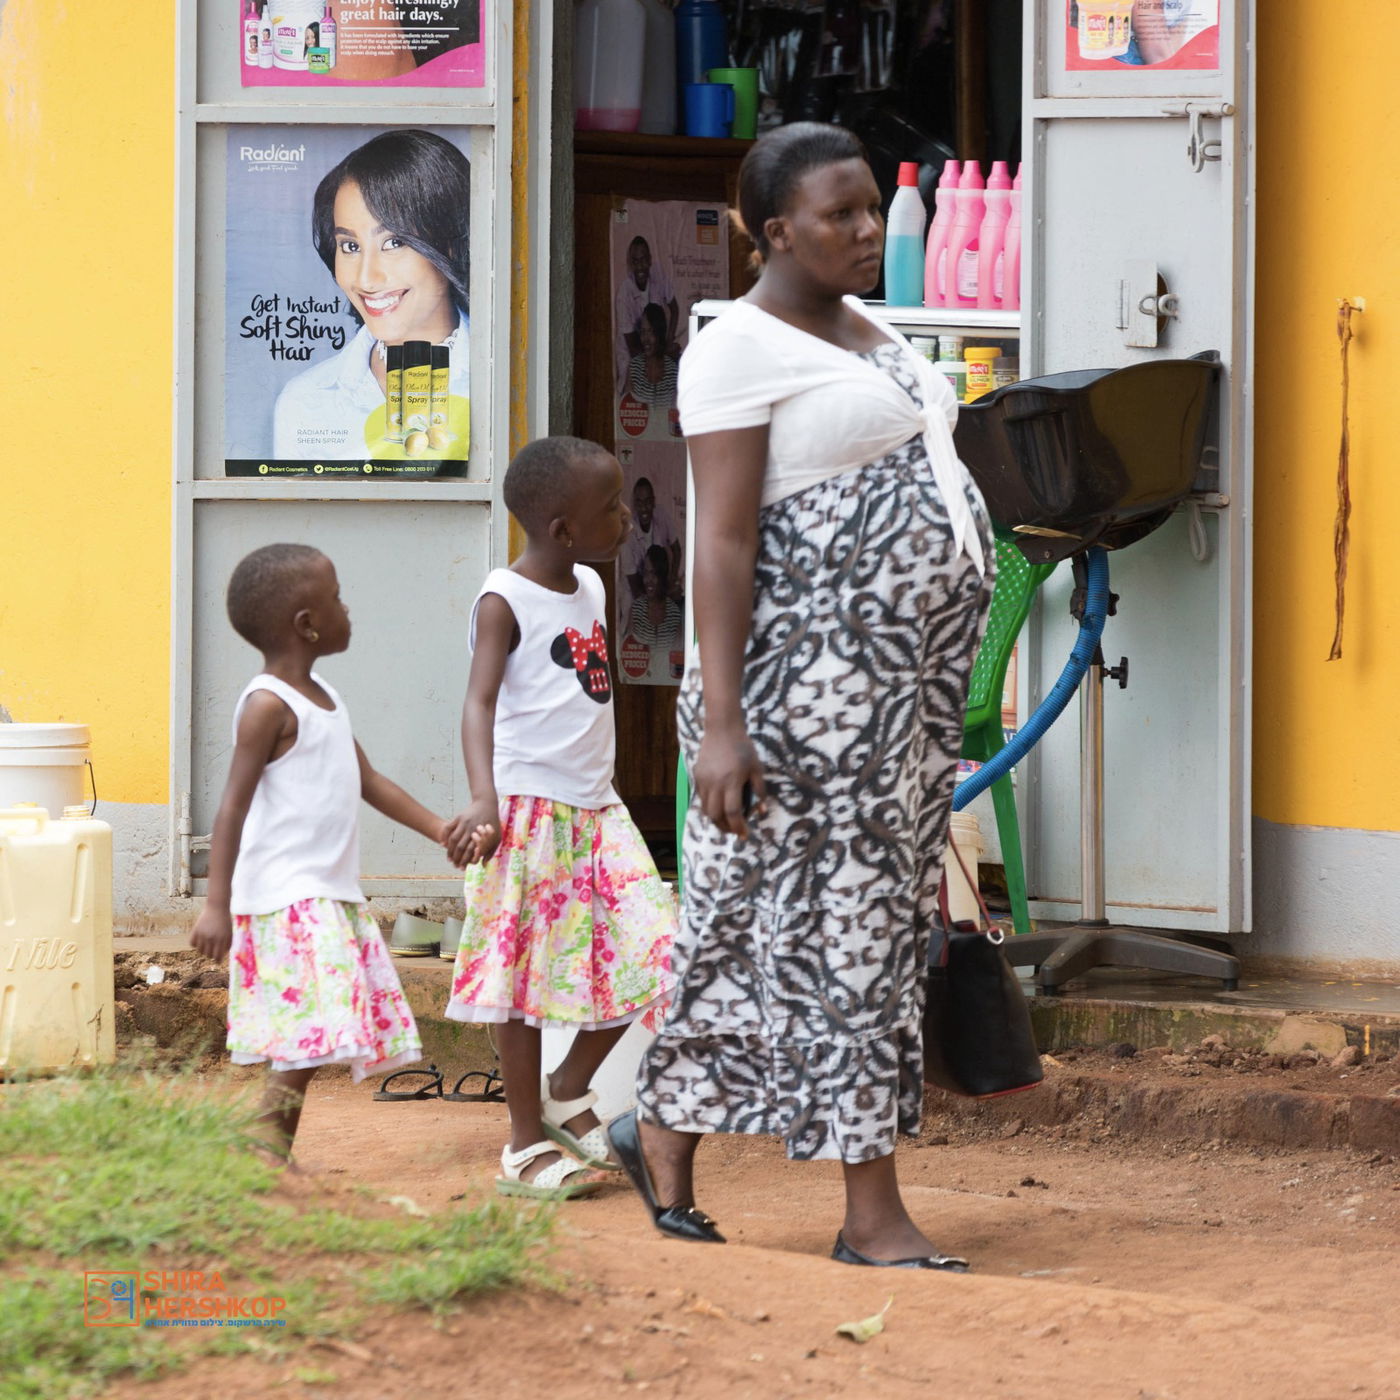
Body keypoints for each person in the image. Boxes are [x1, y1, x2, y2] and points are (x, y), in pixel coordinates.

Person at [607, 123, 995, 1266]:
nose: (869, 229)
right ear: (774, 230)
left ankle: (661, 1121)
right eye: (841, 214)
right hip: (800, 699)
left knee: (742, 927)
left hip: (895, 700)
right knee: (850, 941)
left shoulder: (865, 323)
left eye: (873, 207)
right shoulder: (732, 347)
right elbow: (719, 544)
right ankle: (868, 1209)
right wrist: (719, 723)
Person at [444, 436, 678, 1202]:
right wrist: (483, 798)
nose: (626, 520)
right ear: (560, 528)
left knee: (663, 951)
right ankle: (521, 1144)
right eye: (611, 508)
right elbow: (476, 703)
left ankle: (567, 1091)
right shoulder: (502, 601)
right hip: (525, 814)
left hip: (597, 809)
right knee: (520, 983)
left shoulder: (590, 586)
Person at [190, 543, 465, 1164]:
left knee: (311, 1034)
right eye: (337, 597)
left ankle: (268, 1154)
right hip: (287, 897)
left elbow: (368, 781)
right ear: (307, 625)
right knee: (309, 1035)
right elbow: (231, 807)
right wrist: (216, 903)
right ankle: (264, 1154)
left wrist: (440, 829)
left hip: (326, 893)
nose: (349, 608)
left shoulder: (325, 700)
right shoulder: (267, 706)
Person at [273, 129, 471, 462]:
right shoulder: (305, 400)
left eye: (394, 243)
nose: (366, 278)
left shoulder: (503, 383)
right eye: (350, 246)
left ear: (449, 243)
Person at [614, 236, 679, 389]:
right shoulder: (624, 295)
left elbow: (674, 309)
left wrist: (669, 342)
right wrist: (664, 356)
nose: (640, 267)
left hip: (658, 351)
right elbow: (633, 348)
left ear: (650, 260)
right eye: (635, 262)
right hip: (632, 355)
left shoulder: (659, 274)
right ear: (630, 264)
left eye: (643, 260)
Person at [622, 476, 681, 602]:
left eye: (648, 501)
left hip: (659, 591)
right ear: (635, 505)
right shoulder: (627, 534)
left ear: (654, 502)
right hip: (634, 593)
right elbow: (634, 586)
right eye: (639, 502)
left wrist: (673, 579)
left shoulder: (662, 516)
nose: (644, 508)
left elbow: (677, 550)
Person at [624, 303, 680, 412]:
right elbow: (627, 410)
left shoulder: (673, 371)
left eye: (651, 332)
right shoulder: (634, 368)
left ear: (660, 333)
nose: (646, 339)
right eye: (643, 332)